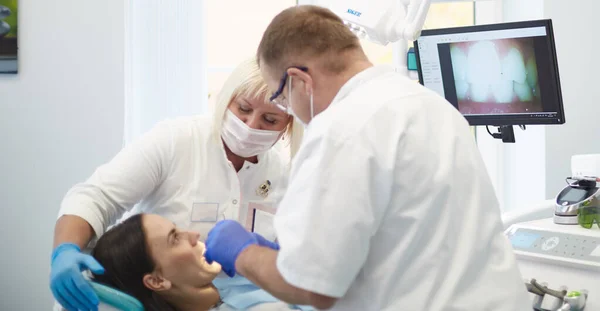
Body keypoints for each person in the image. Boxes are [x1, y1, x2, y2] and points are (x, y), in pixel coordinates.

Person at [203, 5, 531, 311]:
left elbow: (312, 288)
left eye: (282, 98)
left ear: (300, 81)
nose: (290, 110)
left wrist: (242, 251)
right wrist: (292, 254)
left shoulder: (341, 129)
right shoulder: (433, 105)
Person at [50, 58, 300, 311]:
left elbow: (296, 260)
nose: (250, 126)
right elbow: (95, 198)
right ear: (225, 100)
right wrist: (65, 250)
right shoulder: (176, 141)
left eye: (269, 120)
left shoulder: (285, 174)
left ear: (288, 126)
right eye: (243, 108)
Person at [91, 213, 312, 311]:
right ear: (157, 280)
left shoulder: (233, 282)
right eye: (175, 238)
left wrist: (274, 257)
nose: (194, 235)